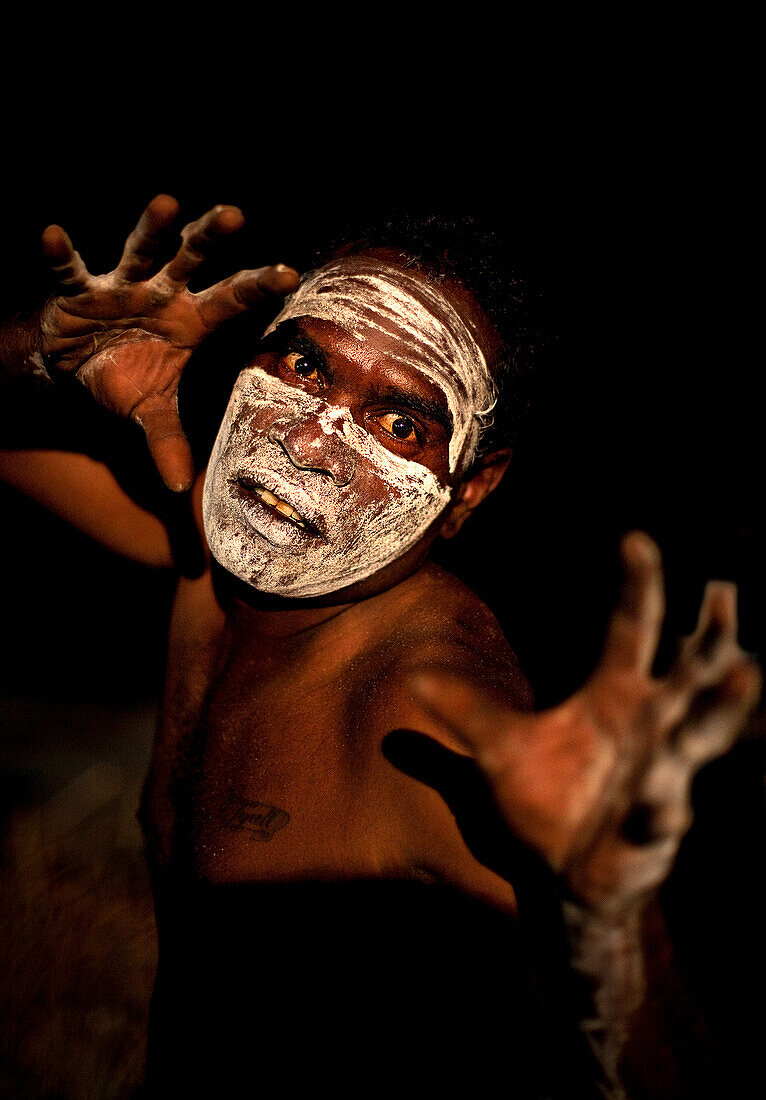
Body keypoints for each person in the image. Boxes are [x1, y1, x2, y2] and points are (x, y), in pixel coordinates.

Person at [0, 195, 759, 1099]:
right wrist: (41, 355)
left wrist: (616, 926)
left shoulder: (420, 720)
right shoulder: (220, 546)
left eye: (400, 424)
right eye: (303, 364)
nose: (311, 439)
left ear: (470, 491)